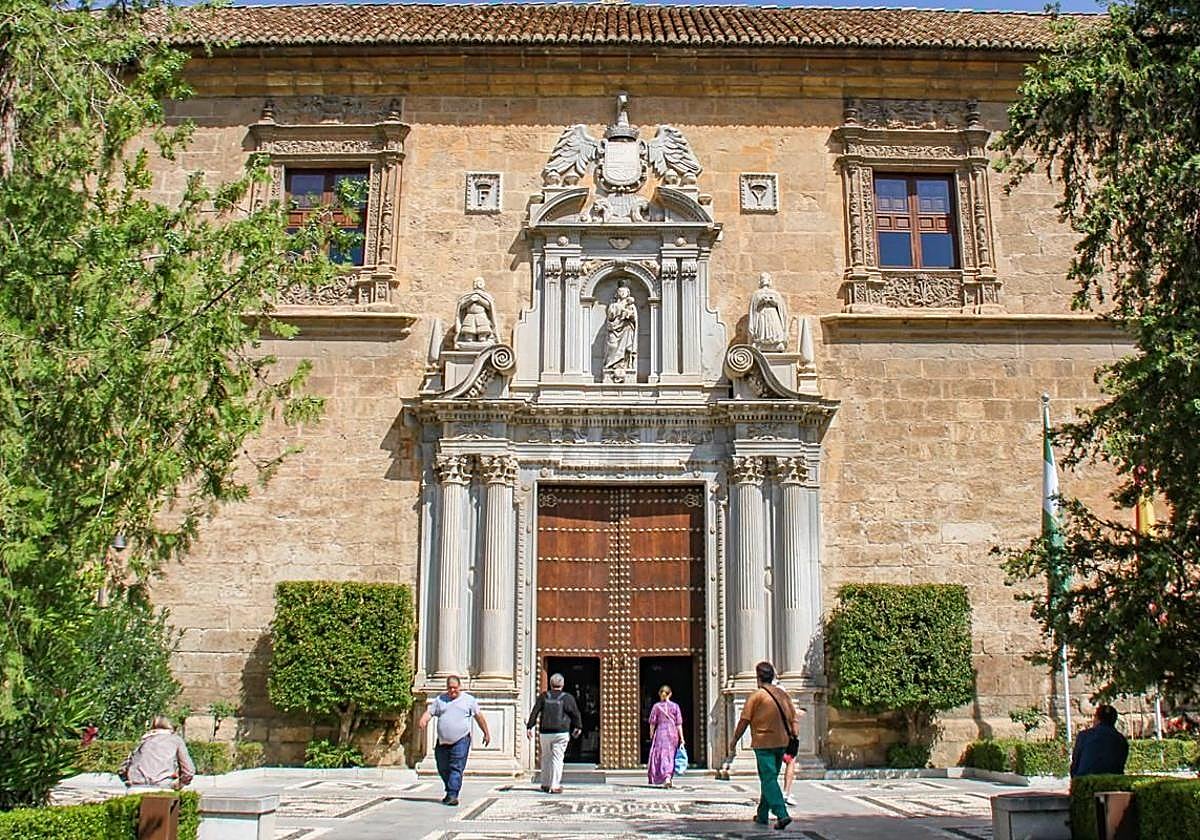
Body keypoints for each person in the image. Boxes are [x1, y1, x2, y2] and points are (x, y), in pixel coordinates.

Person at [728, 661, 797, 830]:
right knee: (771, 777)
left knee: (768, 778)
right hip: (782, 742)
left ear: (758, 677)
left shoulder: (757, 696)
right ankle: (762, 815)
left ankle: (782, 814)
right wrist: (794, 737)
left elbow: (744, 720)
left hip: (763, 742)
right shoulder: (782, 694)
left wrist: (735, 739)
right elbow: (792, 717)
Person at [418, 675, 492, 806]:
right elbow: (430, 712)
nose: (452, 691)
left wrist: (486, 733)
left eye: (455, 688)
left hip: (461, 740)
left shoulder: (469, 700)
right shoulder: (440, 700)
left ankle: (453, 794)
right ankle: (450, 790)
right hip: (442, 742)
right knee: (442, 767)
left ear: (460, 687)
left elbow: (479, 717)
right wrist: (424, 720)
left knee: (456, 767)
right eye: (450, 688)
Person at [526, 672, 582, 794]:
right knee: (557, 758)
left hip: (545, 732)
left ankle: (545, 784)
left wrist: (530, 727)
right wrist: (578, 727)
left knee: (546, 757)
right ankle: (555, 785)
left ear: (550, 684)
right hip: (561, 732)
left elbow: (535, 711)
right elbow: (575, 713)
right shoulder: (567, 698)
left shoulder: (543, 696)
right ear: (562, 684)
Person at [118, 715, 195, 791]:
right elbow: (189, 771)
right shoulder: (175, 740)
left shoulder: (143, 740)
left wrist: (129, 779)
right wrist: (180, 783)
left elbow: (122, 769)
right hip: (163, 787)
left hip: (136, 786)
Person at [1070, 704, 1130, 777]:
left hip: (1085, 782)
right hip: (1112, 782)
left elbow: (1075, 763)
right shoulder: (1121, 740)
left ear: (1097, 719)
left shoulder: (1084, 736)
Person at [647, 684, 685, 788]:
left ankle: (665, 776)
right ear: (670, 694)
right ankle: (668, 777)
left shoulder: (656, 707)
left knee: (661, 755)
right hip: (672, 733)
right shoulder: (675, 706)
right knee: (670, 755)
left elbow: (652, 723)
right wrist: (682, 738)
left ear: (660, 694)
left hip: (661, 733)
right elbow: (679, 724)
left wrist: (651, 734)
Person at [603, 281, 638, 381]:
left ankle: (624, 366)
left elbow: (634, 318)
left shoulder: (631, 306)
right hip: (614, 329)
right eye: (620, 291)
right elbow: (610, 316)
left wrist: (628, 314)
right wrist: (619, 310)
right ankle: (610, 366)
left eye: (624, 291)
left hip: (626, 329)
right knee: (612, 346)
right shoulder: (613, 305)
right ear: (617, 293)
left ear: (628, 293)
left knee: (626, 349)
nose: (622, 293)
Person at [748, 272, 788, 351]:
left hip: (772, 316)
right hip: (762, 316)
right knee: (762, 333)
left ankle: (775, 342)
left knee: (774, 333)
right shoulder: (756, 294)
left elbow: (781, 308)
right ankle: (762, 342)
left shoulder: (775, 294)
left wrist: (773, 302)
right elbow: (753, 308)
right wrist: (761, 302)